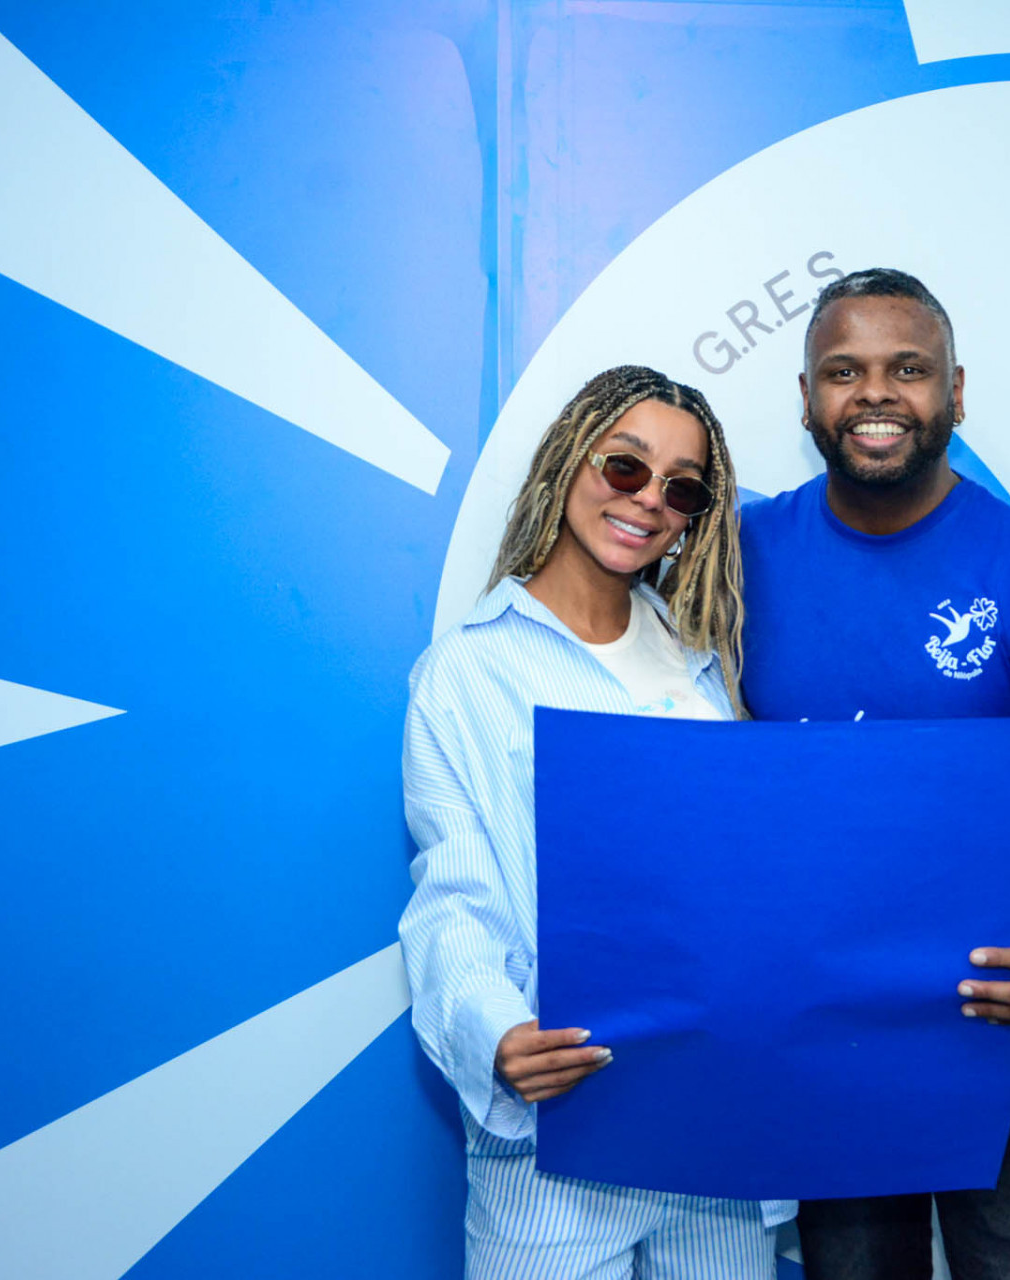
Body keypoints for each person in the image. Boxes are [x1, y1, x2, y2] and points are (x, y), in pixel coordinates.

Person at [740, 269, 1010, 1280]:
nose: (874, 394)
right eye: (843, 370)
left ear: (955, 393)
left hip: (1003, 1029)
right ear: (805, 399)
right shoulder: (738, 558)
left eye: (907, 369)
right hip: (828, 1024)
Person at [398, 365, 792, 1278]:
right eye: (626, 467)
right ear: (571, 461)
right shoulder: (469, 673)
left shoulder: (708, 672)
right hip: (557, 1149)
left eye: (681, 487)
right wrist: (495, 1033)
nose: (649, 500)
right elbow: (455, 894)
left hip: (713, 1139)